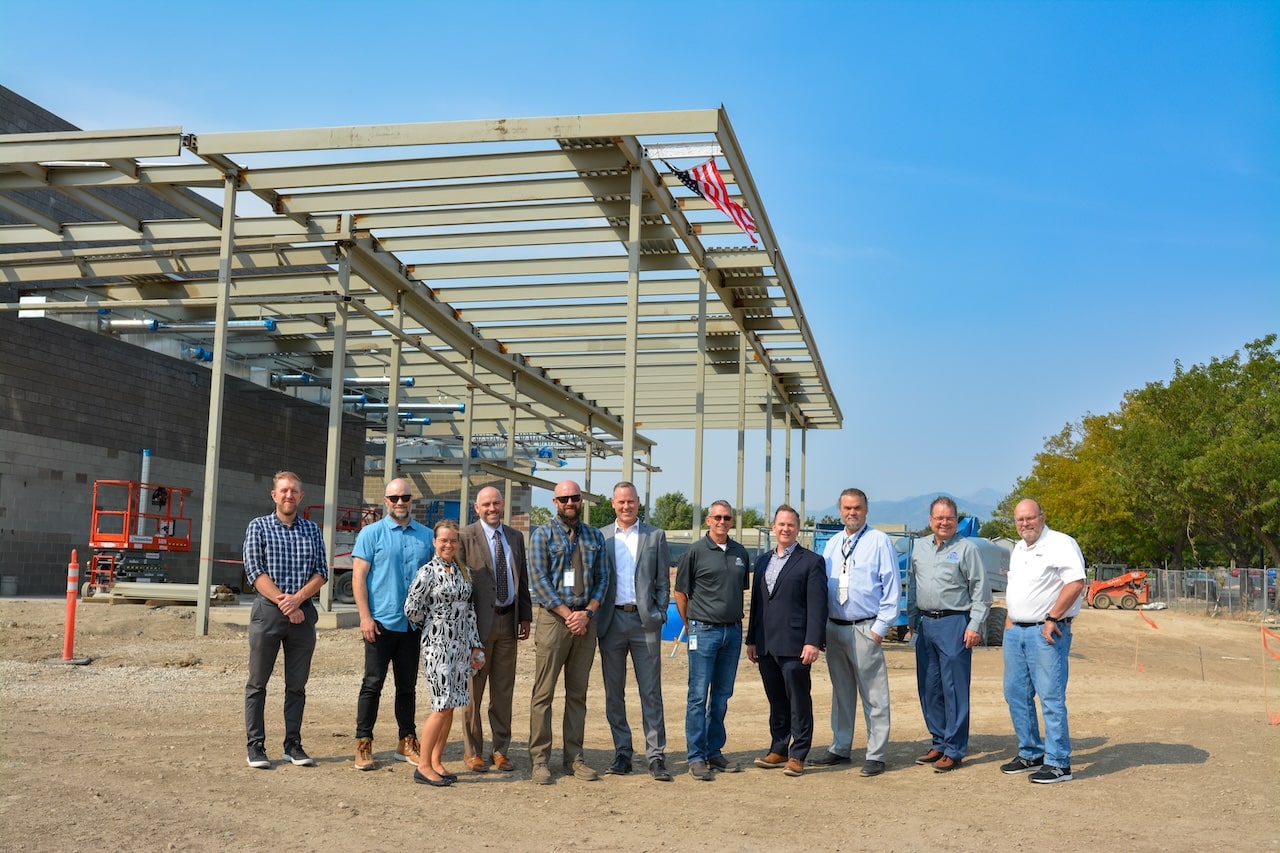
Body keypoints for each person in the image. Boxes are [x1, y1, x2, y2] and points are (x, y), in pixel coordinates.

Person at [809, 488, 900, 777]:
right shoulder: (833, 544)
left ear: (866, 509)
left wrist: (879, 629)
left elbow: (892, 588)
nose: (852, 513)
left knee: (874, 694)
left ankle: (876, 753)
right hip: (835, 627)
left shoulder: (879, 541)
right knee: (842, 692)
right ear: (840, 510)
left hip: (865, 627)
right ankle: (841, 746)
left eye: (857, 508)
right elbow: (823, 587)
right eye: (847, 508)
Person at [242, 471, 329, 769]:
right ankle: (256, 746)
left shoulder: (312, 531)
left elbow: (322, 572)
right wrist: (287, 604)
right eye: (284, 490)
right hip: (269, 612)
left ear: (301, 497)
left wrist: (298, 600)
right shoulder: (259, 528)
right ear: (274, 495)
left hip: (303, 616)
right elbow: (255, 572)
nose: (289, 495)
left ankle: (293, 744)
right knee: (258, 683)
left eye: (294, 491)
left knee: (297, 685)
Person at [350, 478, 435, 771]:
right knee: (372, 685)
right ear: (385, 501)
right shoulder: (371, 534)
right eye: (394, 498)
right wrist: (364, 617)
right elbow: (358, 577)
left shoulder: (426, 537)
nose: (400, 503)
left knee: (407, 686)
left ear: (412, 500)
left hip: (412, 627)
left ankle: (406, 741)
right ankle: (363, 742)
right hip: (380, 623)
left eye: (405, 497)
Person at [527, 480, 608, 785]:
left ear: (581, 500)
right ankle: (540, 760)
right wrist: (567, 614)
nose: (570, 502)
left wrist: (586, 613)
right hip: (554, 620)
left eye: (575, 497)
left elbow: (603, 578)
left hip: (585, 622)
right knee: (543, 693)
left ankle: (574, 758)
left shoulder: (594, 536)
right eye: (565, 498)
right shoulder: (542, 535)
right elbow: (539, 579)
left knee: (578, 694)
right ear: (555, 501)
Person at [1001, 499, 1086, 784]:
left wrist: (1052, 617)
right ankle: (1030, 752)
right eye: (1019, 520)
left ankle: (1059, 762)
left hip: (1046, 632)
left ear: (1042, 517)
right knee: (1015, 693)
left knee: (1051, 697)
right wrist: (1011, 618)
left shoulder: (1060, 543)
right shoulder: (1018, 548)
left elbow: (1075, 582)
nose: (1025, 524)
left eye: (1030, 518)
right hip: (1017, 632)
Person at [906, 496, 990, 773]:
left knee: (953, 689)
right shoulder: (919, 547)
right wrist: (912, 620)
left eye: (949, 518)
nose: (944, 522)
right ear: (930, 520)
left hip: (955, 623)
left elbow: (981, 591)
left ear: (957, 520)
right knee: (929, 688)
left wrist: (974, 625)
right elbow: (914, 586)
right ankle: (938, 741)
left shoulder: (967, 549)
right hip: (926, 624)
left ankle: (954, 750)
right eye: (938, 518)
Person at [597, 481, 673, 781]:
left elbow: (663, 580)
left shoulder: (655, 535)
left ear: (638, 502)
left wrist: (660, 612)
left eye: (630, 501)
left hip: (645, 623)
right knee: (613, 693)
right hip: (611, 622)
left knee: (651, 691)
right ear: (613, 503)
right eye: (620, 502)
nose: (626, 506)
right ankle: (622, 752)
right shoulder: (601, 537)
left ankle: (655, 755)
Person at [746, 505, 827, 777]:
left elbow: (817, 606)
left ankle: (798, 753)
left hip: (795, 644)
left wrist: (813, 641)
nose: (785, 529)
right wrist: (752, 639)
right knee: (776, 699)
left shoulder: (811, 561)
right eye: (781, 524)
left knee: (798, 700)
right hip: (767, 644)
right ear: (773, 527)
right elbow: (757, 604)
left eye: (790, 525)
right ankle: (779, 747)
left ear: (798, 528)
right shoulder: (761, 561)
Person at [674, 500, 751, 781]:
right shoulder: (694, 552)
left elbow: (739, 590)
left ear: (732, 521)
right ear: (708, 520)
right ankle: (696, 757)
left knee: (721, 697)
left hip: (731, 633)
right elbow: (680, 593)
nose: (722, 521)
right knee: (697, 697)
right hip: (703, 632)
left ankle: (714, 750)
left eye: (727, 517)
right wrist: (689, 626)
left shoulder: (740, 552)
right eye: (717, 517)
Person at [403, 519, 484, 786]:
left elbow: (470, 613)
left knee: (451, 706)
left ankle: (437, 761)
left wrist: (475, 645)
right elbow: (411, 609)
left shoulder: (464, 572)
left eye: (452, 540)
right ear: (435, 542)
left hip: (460, 647)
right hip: (437, 647)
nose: (448, 545)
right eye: (443, 540)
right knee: (440, 705)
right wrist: (436, 623)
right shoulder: (426, 572)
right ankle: (423, 765)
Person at [458, 485, 532, 774]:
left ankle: (500, 751)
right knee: (473, 692)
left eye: (496, 503)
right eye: (486, 504)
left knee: (503, 692)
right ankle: (472, 751)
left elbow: (521, 579)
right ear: (477, 508)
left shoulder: (515, 537)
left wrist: (524, 615)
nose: (492, 509)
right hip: (477, 628)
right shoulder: (465, 537)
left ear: (503, 506)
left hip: (508, 622)